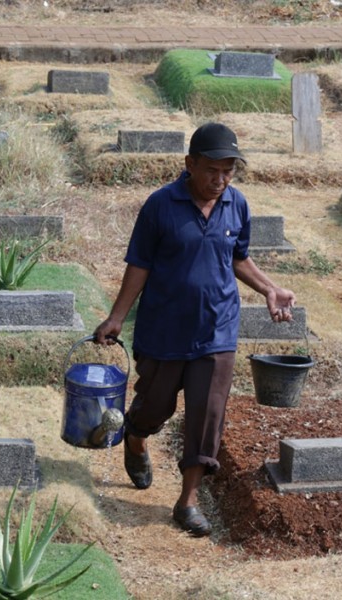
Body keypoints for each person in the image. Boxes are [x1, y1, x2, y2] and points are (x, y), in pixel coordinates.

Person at [93, 122, 296, 537]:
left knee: (208, 414)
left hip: (217, 329)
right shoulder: (160, 205)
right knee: (155, 405)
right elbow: (139, 265)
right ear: (189, 164)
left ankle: (187, 501)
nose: (220, 180)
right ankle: (136, 435)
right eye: (212, 170)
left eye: (228, 172)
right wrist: (116, 317)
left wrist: (269, 289)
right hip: (164, 328)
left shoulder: (236, 204)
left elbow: (237, 257)